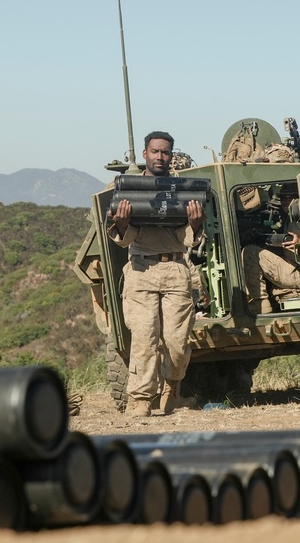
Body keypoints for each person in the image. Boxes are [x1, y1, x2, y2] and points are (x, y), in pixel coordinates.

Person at [108, 131, 204, 417]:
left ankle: (172, 386)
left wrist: (195, 223)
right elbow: (123, 238)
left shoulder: (182, 190)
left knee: (177, 342)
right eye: (155, 151)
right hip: (141, 269)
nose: (160, 157)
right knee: (144, 337)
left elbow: (189, 238)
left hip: (175, 268)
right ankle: (140, 399)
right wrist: (122, 223)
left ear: (170, 156)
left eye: (165, 152)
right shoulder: (129, 188)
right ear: (145, 154)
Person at [241, 192, 300, 315]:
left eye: (288, 197)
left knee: (250, 253)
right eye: (282, 198)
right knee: (260, 248)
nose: (284, 201)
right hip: (294, 266)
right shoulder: (290, 217)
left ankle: (260, 303)